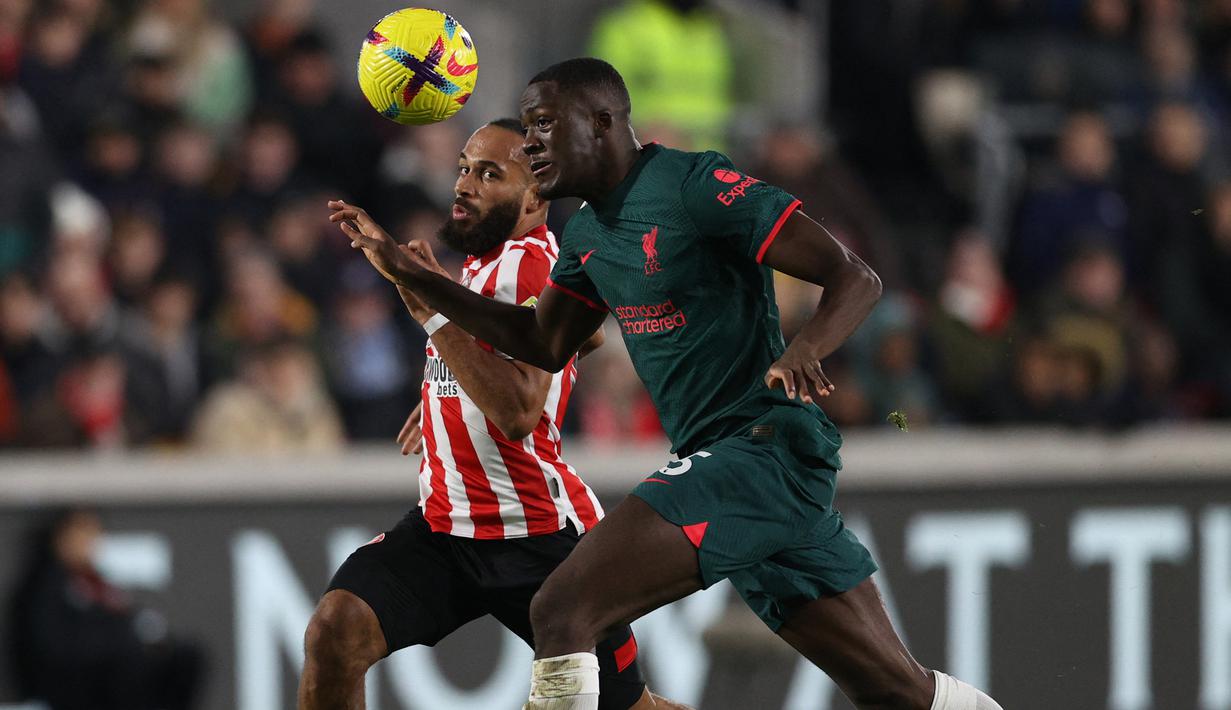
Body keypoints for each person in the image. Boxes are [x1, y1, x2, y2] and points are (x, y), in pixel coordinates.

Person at [332, 59, 1005, 710]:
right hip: (732, 466)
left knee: (562, 609)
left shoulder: (696, 185)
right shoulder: (590, 233)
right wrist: (419, 282)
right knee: (892, 690)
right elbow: (539, 341)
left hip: (761, 450)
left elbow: (855, 277)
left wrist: (805, 346)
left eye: (543, 126)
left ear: (599, 122)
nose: (532, 146)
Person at [302, 118, 686, 710]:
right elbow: (578, 338)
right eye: (462, 167)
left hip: (534, 538)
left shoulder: (527, 263)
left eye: (489, 174)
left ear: (536, 195)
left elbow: (515, 413)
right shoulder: (489, 261)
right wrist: (445, 397)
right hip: (447, 527)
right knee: (338, 627)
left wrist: (428, 308)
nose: (464, 185)